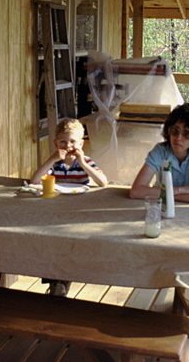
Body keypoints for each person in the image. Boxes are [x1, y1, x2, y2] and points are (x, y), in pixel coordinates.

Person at [130, 102, 189, 280]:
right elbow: (135, 191)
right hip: (165, 215)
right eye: (175, 131)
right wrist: (185, 190)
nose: (178, 138)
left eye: (187, 133)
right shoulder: (161, 151)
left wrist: (162, 192)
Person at [30, 118, 108, 296]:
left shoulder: (86, 161)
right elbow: (34, 181)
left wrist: (83, 163)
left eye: (73, 141)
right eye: (63, 142)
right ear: (56, 143)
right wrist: (52, 158)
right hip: (56, 211)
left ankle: (63, 280)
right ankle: (56, 282)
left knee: (71, 245)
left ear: (81, 143)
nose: (68, 145)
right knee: (50, 242)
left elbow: (103, 182)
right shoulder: (55, 163)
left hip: (79, 212)